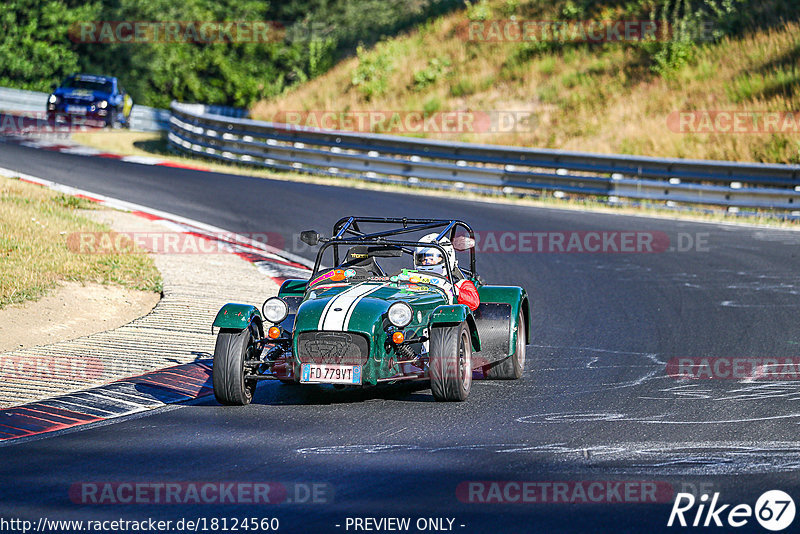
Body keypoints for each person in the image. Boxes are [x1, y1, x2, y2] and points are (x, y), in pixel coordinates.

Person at [413, 233, 480, 311]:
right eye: (423, 259)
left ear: (447, 258)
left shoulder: (459, 283)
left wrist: (454, 291)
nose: (427, 262)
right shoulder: (412, 278)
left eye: (431, 258)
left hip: (447, 317)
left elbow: (474, 302)